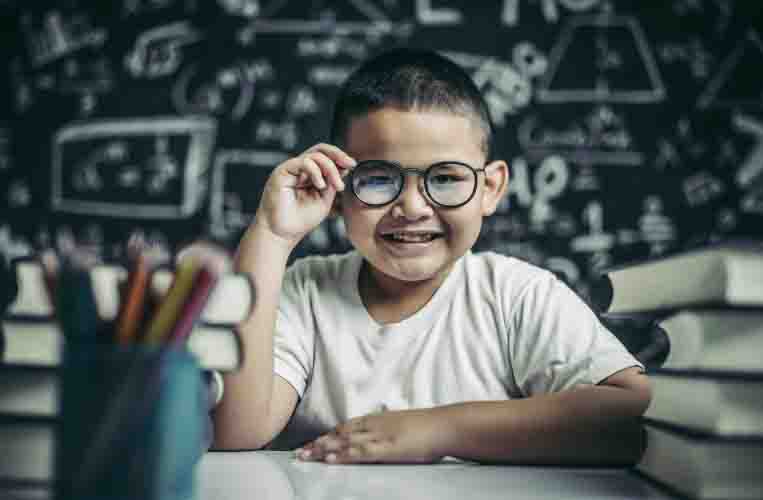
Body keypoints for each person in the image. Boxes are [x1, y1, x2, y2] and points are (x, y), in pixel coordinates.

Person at [210, 47, 651, 465]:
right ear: (339, 191)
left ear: (490, 188)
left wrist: (440, 429)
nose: (413, 207)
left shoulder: (516, 296)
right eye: (378, 178)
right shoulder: (305, 293)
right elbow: (236, 432)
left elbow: (628, 414)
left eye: (445, 178)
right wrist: (271, 234)